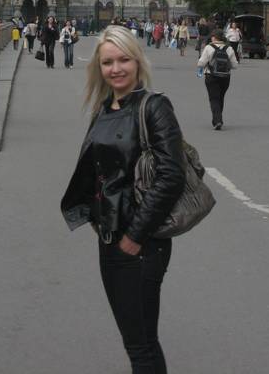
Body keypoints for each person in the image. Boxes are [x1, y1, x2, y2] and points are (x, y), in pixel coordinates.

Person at [61, 26, 186, 374]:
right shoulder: (103, 109)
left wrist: (134, 236)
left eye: (123, 60)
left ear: (137, 61)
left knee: (141, 345)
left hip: (140, 244)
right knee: (139, 340)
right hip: (110, 237)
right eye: (107, 62)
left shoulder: (154, 107)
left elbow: (171, 177)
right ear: (98, 68)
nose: (116, 69)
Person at [197, 29, 238, 130]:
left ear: (214, 37)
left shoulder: (208, 47)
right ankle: (218, 118)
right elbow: (235, 65)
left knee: (214, 98)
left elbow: (201, 63)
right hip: (225, 77)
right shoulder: (229, 48)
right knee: (220, 97)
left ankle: (217, 120)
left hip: (211, 76)